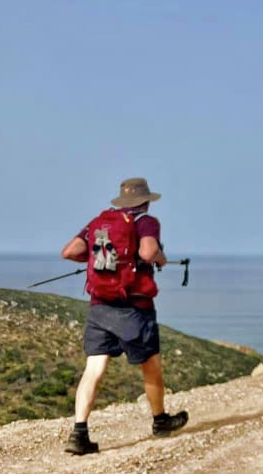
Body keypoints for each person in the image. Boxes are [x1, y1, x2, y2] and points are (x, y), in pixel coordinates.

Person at [59, 178, 188, 455]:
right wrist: (160, 258)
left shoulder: (99, 223)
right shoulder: (145, 222)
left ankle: (79, 432)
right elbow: (149, 251)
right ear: (146, 200)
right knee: (150, 365)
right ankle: (160, 420)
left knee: (94, 369)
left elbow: (69, 251)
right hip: (133, 307)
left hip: (99, 306)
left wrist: (101, 261)